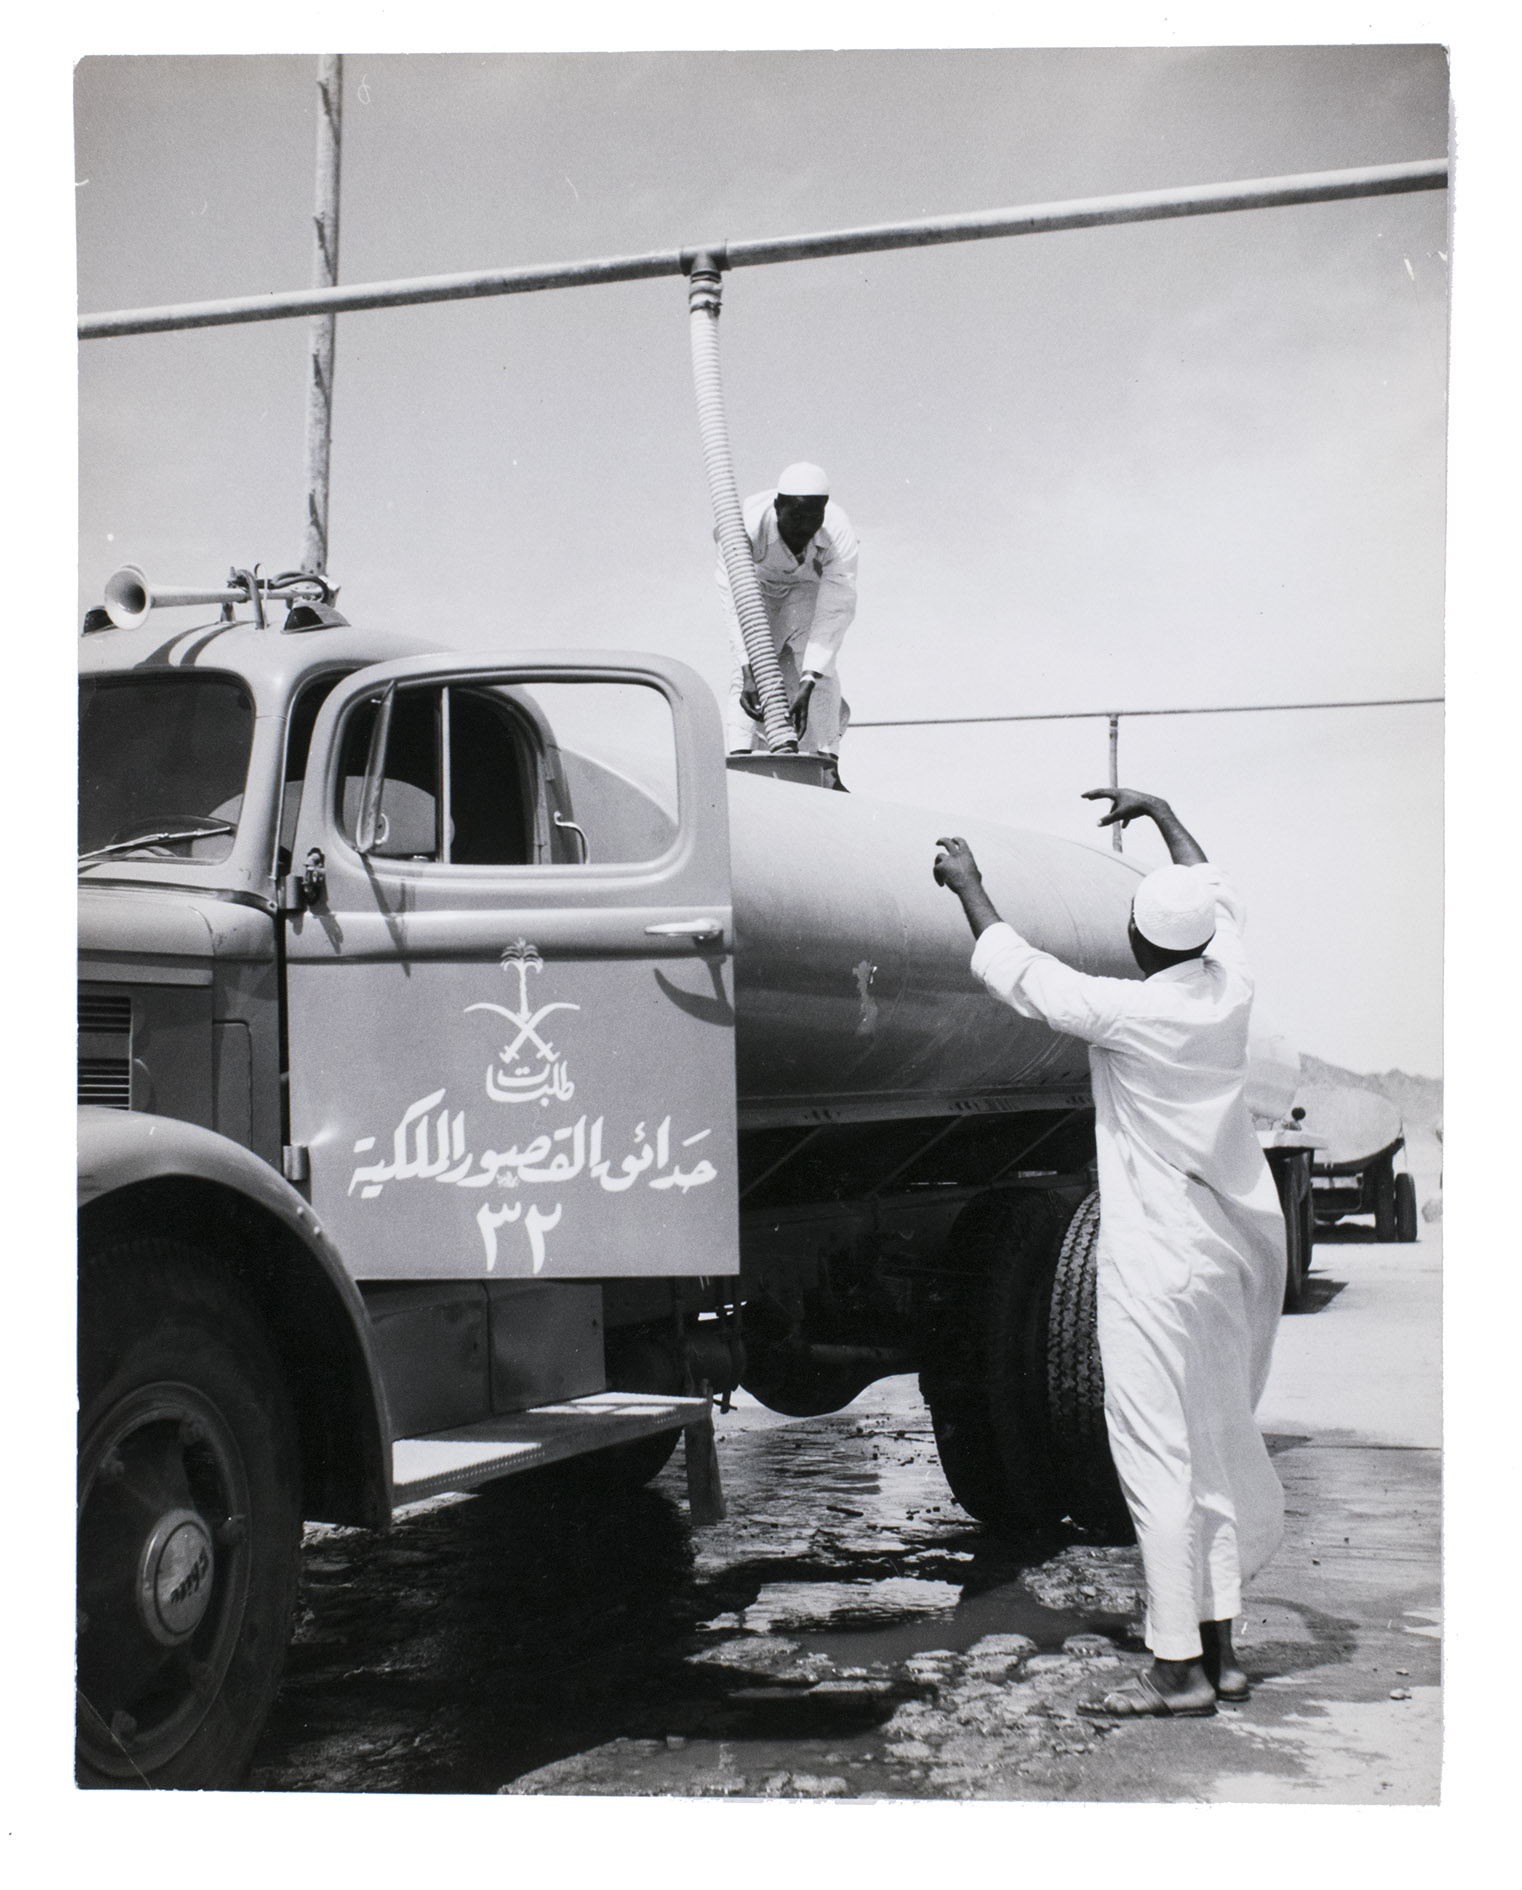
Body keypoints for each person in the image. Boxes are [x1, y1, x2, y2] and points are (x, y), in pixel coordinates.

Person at [933, 788, 1287, 1719]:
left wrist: (968, 884)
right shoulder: (1230, 989)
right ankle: (1223, 1652)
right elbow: (1216, 891)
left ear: (1137, 941)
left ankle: (1177, 1670)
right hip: (1227, 1257)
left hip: (1158, 1263)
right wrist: (1164, 813)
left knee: (1156, 1456)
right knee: (1214, 1445)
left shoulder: (1132, 1012)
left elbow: (1023, 973)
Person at [716, 461, 858, 778]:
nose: (804, 528)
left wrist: (808, 683)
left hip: (806, 588)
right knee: (746, 674)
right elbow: (732, 597)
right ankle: (739, 760)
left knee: (821, 669)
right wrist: (747, 666)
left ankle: (829, 767)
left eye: (814, 517)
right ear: (777, 506)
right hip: (756, 587)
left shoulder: (838, 531)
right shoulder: (745, 525)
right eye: (796, 516)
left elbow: (836, 607)